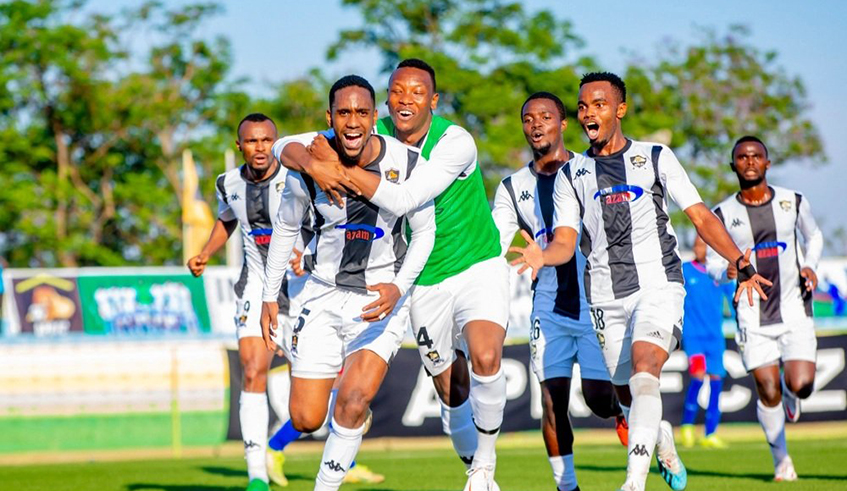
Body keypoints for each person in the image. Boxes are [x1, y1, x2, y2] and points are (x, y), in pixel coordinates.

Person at [510, 72, 771, 491]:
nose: (588, 113)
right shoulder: (570, 175)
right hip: (605, 297)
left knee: (646, 370)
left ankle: (634, 482)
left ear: (620, 109)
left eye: (598, 104)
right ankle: (661, 435)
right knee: (623, 397)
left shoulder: (655, 156)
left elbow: (701, 216)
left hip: (658, 285)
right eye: (582, 107)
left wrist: (738, 260)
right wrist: (542, 255)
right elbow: (564, 242)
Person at [277, 59, 509, 491]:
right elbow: (286, 145)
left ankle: (484, 470)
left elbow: (404, 199)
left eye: (417, 92)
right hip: (418, 278)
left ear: (433, 101)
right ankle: (474, 466)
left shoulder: (455, 141)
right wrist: (311, 164)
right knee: (449, 391)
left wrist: (337, 169)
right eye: (397, 91)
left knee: (486, 356)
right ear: (385, 98)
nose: (406, 99)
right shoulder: (368, 126)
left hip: (476, 265)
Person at [260, 74, 436, 491]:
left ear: (376, 117)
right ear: (329, 118)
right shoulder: (311, 160)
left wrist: (399, 286)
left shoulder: (408, 162)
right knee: (305, 418)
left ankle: (328, 481)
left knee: (355, 396)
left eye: (361, 112)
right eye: (343, 113)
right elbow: (286, 227)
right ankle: (347, 420)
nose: (352, 122)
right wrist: (269, 295)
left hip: (380, 297)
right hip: (320, 294)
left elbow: (425, 232)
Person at [491, 91, 625, 491]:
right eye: (528, 118)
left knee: (600, 400)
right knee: (552, 401)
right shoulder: (512, 187)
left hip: (596, 302)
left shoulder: (591, 170)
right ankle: (567, 488)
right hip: (547, 307)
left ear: (563, 124)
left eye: (545, 117)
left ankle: (624, 413)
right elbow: (497, 242)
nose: (536, 124)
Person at [706, 135, 822, 481]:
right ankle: (782, 461)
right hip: (752, 315)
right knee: (766, 389)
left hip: (795, 309)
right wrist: (724, 270)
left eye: (757, 156)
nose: (750, 161)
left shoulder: (793, 201)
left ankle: (792, 392)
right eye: (742, 157)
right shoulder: (723, 214)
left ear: (767, 163)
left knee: (801, 385)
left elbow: (813, 237)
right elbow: (712, 264)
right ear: (734, 166)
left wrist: (811, 265)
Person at [187, 113, 292, 491]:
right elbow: (228, 218)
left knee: (315, 401)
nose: (260, 148)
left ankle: (294, 447)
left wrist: (305, 253)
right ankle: (257, 476)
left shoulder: (297, 178)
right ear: (240, 146)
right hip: (255, 284)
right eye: (252, 141)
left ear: (275, 143)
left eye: (266, 140)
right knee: (252, 370)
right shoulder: (228, 183)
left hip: (301, 287)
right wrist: (205, 253)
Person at [679, 235, 735, 448]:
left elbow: (733, 298)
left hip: (715, 337)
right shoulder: (685, 271)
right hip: (693, 337)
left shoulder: (718, 274)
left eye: (702, 245)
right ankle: (687, 427)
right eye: (695, 245)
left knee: (716, 380)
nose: (697, 249)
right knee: (697, 376)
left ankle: (710, 433)